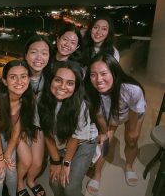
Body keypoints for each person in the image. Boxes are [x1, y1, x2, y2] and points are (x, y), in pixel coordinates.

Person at [84, 53, 146, 196]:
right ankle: (97, 174)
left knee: (131, 141)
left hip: (132, 112)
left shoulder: (131, 89)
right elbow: (99, 115)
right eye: (93, 75)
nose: (98, 79)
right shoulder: (91, 91)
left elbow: (135, 109)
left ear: (114, 72)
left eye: (104, 73)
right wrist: (105, 132)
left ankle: (129, 166)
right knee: (105, 143)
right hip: (111, 115)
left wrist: (132, 131)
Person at [38, 61, 97, 196]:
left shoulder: (81, 106)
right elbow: (47, 133)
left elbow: (74, 137)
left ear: (76, 87)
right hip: (60, 142)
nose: (63, 87)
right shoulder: (42, 100)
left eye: (70, 83)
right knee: (54, 182)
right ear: (51, 80)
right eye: (58, 80)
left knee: (69, 187)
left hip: (83, 143)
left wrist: (65, 164)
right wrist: (55, 161)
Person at [0, 60, 36, 196]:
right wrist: (0, 158)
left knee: (11, 171)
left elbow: (16, 129)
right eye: (13, 77)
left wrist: (8, 155)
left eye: (23, 76)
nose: (19, 81)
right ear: (5, 81)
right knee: (0, 173)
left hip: (6, 133)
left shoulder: (27, 97)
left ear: (29, 79)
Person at [16, 34, 52, 196]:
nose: (39, 57)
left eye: (44, 53)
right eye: (34, 52)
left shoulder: (50, 78)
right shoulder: (18, 77)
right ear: (25, 55)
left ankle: (30, 181)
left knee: (37, 164)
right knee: (26, 160)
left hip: (38, 125)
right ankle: (19, 185)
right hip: (19, 125)